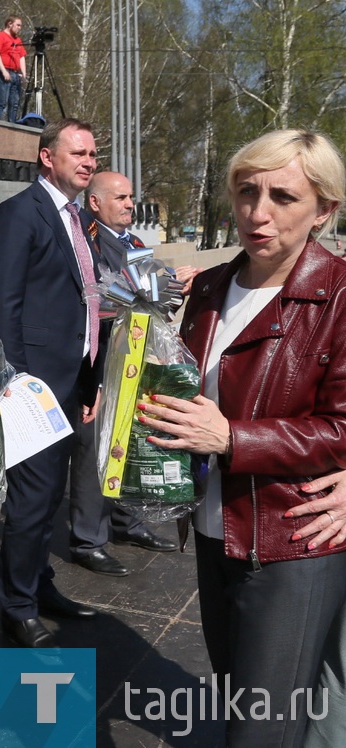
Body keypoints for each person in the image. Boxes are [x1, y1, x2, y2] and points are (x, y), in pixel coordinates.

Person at [139, 129, 346, 746]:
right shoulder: (209, 287)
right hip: (213, 528)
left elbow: (339, 427)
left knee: (263, 728)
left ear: (324, 210)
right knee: (241, 699)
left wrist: (232, 437)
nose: (258, 213)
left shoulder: (336, 295)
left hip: (292, 538)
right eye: (246, 191)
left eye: (283, 196)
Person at [0, 118, 101, 648]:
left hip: (72, 381)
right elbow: (2, 311)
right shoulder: (17, 215)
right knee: (31, 500)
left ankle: (40, 584)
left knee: (49, 495)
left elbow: (84, 299)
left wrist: (91, 376)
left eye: (93, 154)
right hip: (33, 388)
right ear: (46, 157)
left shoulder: (78, 221)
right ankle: (18, 606)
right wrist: (19, 385)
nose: (88, 161)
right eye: (77, 152)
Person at [69, 171, 177, 577]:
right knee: (95, 449)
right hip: (102, 358)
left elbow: (154, 285)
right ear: (95, 202)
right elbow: (93, 296)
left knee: (129, 442)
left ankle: (126, 522)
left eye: (132, 196)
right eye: (121, 197)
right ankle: (87, 540)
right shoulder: (88, 239)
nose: (131, 204)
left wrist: (168, 288)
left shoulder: (130, 241)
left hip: (137, 351)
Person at [0, 16, 28, 122]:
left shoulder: (18, 40)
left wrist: (23, 74)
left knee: (15, 103)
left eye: (21, 26)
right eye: (18, 25)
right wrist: (3, 70)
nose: (20, 28)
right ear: (10, 24)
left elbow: (21, 56)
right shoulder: (0, 36)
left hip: (15, 73)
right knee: (2, 101)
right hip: (3, 71)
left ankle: (12, 125)